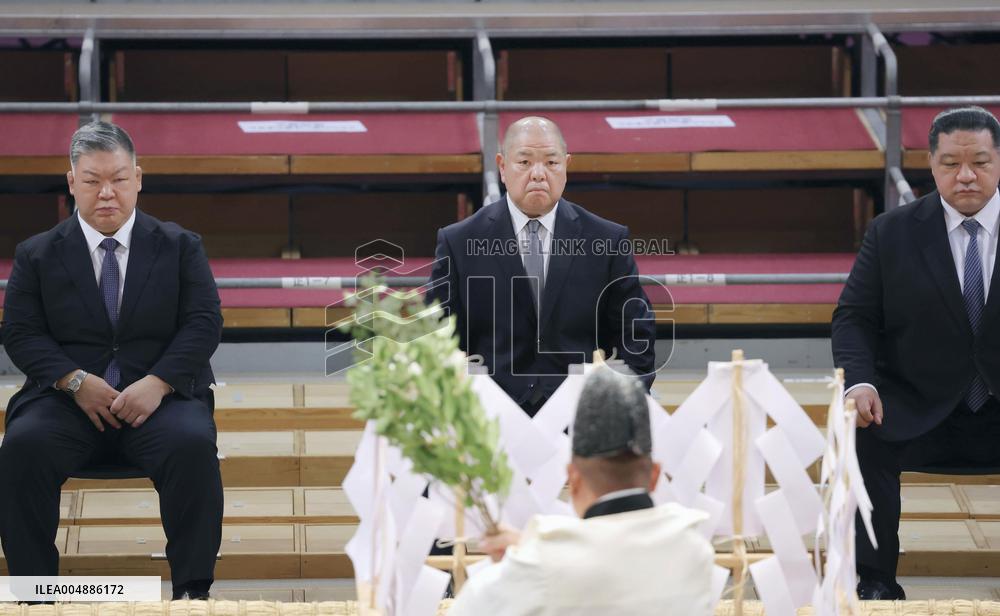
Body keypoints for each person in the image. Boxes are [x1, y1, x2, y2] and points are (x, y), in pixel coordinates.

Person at [0, 121, 224, 600]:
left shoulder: (182, 246)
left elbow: (203, 323)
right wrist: (74, 380)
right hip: (64, 403)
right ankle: (33, 596)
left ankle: (192, 595)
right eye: (92, 181)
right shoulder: (36, 254)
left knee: (192, 444)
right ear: (71, 182)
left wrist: (159, 382)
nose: (107, 193)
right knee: (22, 445)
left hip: (159, 404)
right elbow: (20, 332)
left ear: (139, 179)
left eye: (119, 179)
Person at [832, 106, 1000, 600]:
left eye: (981, 162)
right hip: (915, 405)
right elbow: (854, 317)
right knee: (864, 436)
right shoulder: (892, 232)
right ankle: (877, 581)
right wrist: (859, 383)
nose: (965, 175)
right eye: (950, 163)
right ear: (931, 164)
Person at [426, 116, 657, 416]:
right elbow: (435, 336)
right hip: (489, 416)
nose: (538, 174)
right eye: (524, 162)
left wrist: (619, 403)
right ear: (502, 166)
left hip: (581, 414)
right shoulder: (459, 242)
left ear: (566, 165)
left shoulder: (606, 239)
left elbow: (635, 333)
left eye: (551, 163)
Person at [449, 366, 715, 616]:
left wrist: (523, 558)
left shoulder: (539, 565)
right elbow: (613, 556)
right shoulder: (695, 552)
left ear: (573, 479)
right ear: (655, 475)